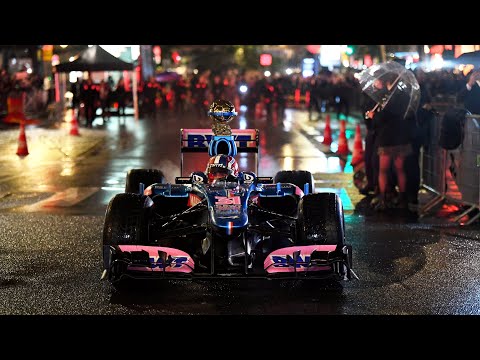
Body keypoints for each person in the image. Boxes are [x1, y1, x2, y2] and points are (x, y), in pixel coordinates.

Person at [365, 73, 416, 211]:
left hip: (387, 138)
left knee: (383, 169)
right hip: (402, 137)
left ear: (387, 81)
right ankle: (403, 198)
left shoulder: (387, 98)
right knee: (400, 169)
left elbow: (383, 118)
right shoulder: (404, 96)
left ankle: (383, 199)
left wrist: (373, 115)